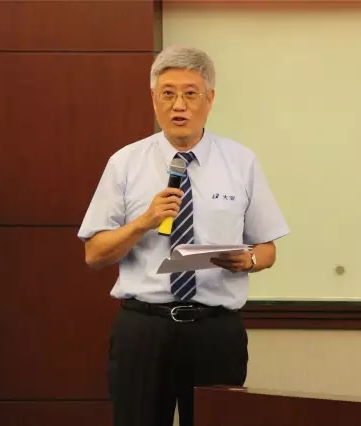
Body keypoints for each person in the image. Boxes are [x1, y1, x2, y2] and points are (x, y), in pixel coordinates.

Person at [77, 45, 290, 426]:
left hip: (215, 330)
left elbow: (267, 247)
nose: (179, 105)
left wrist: (250, 260)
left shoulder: (241, 162)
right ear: (153, 99)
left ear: (210, 99)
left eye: (191, 94)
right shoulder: (125, 163)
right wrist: (144, 221)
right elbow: (94, 254)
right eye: (168, 94)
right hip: (144, 328)